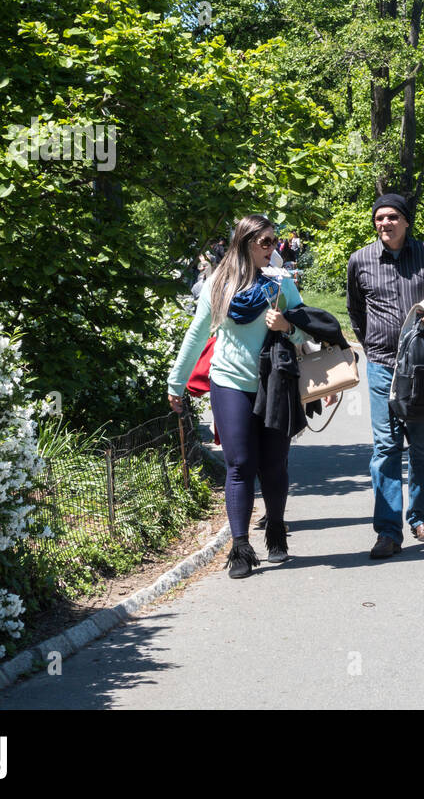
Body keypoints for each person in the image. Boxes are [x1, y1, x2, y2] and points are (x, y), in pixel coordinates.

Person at [167, 215, 309, 578]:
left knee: (274, 463)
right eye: (265, 242)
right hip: (230, 381)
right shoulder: (218, 284)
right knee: (240, 464)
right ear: (245, 242)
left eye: (274, 242)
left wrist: (287, 326)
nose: (272, 249)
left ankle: (276, 530)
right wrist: (176, 382)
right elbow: (198, 333)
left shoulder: (280, 282)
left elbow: (307, 334)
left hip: (274, 384)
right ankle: (241, 548)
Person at [347, 193, 424, 560]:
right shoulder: (360, 260)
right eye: (379, 218)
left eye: (392, 217)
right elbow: (355, 311)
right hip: (380, 365)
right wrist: (373, 346)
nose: (385, 224)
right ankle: (388, 532)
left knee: (423, 448)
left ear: (407, 221)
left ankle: (421, 518)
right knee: (385, 448)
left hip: (422, 368)